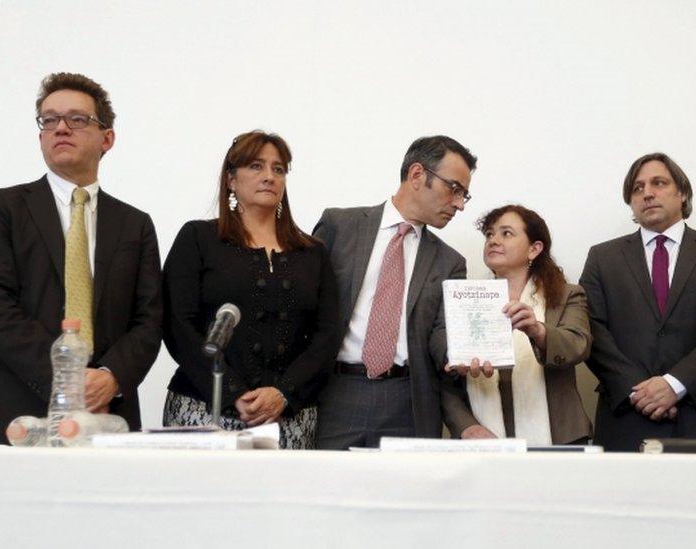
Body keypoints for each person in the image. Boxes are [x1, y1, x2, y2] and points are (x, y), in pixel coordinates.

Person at [0, 72, 162, 443]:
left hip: (104, 414)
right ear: (40, 136)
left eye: (77, 119)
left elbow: (149, 320)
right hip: (5, 405)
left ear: (107, 138)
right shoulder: (1, 208)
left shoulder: (136, 225)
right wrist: (66, 380)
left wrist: (111, 377)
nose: (61, 128)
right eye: (49, 120)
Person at [162, 131, 340, 448]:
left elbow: (327, 336)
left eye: (278, 169)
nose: (269, 177)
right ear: (231, 180)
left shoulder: (312, 252)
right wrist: (233, 392)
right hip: (204, 408)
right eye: (256, 166)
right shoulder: (198, 239)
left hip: (290, 417)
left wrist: (284, 393)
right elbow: (178, 324)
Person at [312, 135, 486, 449]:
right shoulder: (340, 226)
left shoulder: (450, 262)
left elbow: (442, 331)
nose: (460, 204)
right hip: (336, 393)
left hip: (409, 402)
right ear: (417, 175)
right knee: (326, 493)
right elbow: (307, 306)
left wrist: (461, 353)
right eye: (454, 189)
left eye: (465, 195)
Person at [579, 153, 696, 451]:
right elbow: (591, 330)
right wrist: (639, 393)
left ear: (682, 192)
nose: (648, 193)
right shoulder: (602, 258)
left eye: (659, 183)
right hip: (627, 412)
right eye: (637, 188)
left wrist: (675, 383)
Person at [453, 205, 593, 445]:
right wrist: (466, 425)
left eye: (506, 233)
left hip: (559, 436)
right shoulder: (465, 300)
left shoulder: (566, 295)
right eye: (489, 234)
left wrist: (538, 331)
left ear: (534, 249)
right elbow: (444, 378)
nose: (493, 240)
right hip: (484, 438)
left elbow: (578, 345)